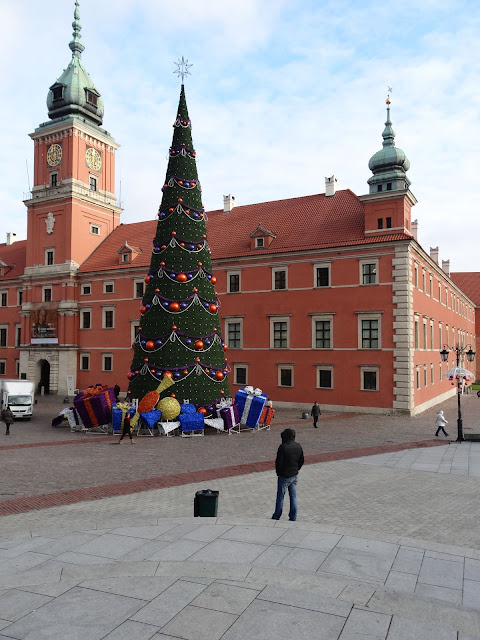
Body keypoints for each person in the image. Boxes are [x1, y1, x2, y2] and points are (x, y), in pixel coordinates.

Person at [272, 428, 304, 521]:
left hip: (284, 475)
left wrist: (279, 473)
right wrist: (297, 468)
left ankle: (277, 515)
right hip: (294, 474)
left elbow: (279, 462)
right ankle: (293, 516)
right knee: (293, 496)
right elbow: (301, 460)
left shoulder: (283, 447)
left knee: (280, 496)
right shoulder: (298, 446)